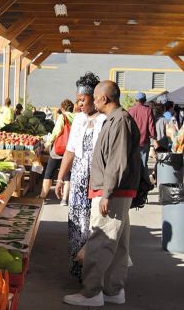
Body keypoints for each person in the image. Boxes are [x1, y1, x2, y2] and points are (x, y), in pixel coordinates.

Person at [63, 81, 140, 307]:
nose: (92, 100)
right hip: (116, 190)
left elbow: (117, 161)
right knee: (118, 245)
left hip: (112, 192)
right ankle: (114, 290)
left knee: (100, 241)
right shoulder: (116, 119)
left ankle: (91, 292)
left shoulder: (120, 120)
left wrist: (107, 193)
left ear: (104, 99)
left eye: (95, 97)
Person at [55, 72, 106, 280]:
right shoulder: (77, 120)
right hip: (77, 181)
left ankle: (93, 273)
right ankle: (78, 269)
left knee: (95, 226)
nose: (79, 104)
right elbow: (70, 150)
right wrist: (60, 178)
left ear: (94, 98)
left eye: (82, 100)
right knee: (77, 224)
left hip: (97, 181)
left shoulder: (105, 120)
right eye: (77, 100)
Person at [39, 99, 75, 205]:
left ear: (63, 108)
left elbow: (56, 132)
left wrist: (48, 143)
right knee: (68, 174)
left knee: (49, 172)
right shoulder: (76, 117)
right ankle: (64, 199)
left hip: (59, 149)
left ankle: (42, 196)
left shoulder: (62, 117)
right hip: (70, 149)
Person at [127, 92, 155, 180]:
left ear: (136, 100)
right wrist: (153, 136)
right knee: (143, 163)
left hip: (132, 141)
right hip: (144, 141)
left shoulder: (130, 110)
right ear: (145, 100)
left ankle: (133, 181)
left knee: (132, 162)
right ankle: (143, 182)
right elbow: (151, 126)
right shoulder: (148, 110)